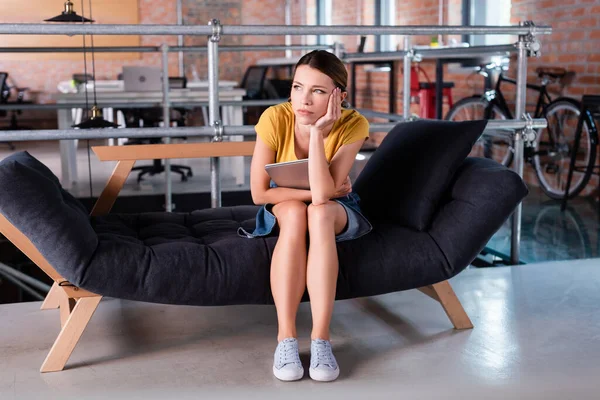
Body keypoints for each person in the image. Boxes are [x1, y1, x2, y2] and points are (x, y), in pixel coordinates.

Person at [238, 50, 372, 382]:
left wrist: (317, 134)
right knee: (299, 212)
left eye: (318, 91)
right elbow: (260, 193)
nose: (304, 99)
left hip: (336, 209)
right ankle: (286, 339)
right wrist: (316, 194)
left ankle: (321, 339)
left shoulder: (354, 124)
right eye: (298, 87)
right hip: (289, 203)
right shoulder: (274, 117)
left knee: (321, 214)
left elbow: (328, 197)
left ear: (338, 95)